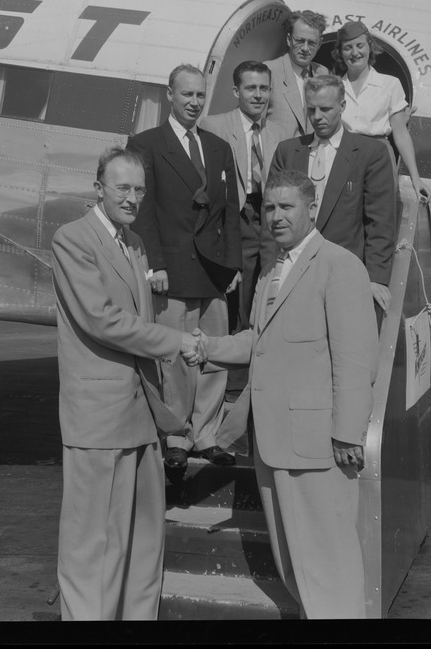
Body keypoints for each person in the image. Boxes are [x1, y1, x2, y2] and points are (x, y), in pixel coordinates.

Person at [189, 168, 378, 619]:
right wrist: (207, 347)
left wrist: (348, 434)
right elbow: (258, 339)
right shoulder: (272, 271)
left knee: (329, 567)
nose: (276, 217)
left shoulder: (340, 265)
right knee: (296, 569)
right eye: (269, 208)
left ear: (311, 210)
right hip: (274, 443)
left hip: (319, 446)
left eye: (287, 207)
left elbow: (356, 360)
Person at [51, 146, 202, 620]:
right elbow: (103, 320)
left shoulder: (134, 243)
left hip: (140, 412)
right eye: (122, 188)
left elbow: (137, 315)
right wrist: (175, 340)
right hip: (98, 417)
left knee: (142, 542)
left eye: (139, 189)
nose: (132, 197)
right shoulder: (73, 239)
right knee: (92, 544)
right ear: (99, 187)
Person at [126, 64, 242, 472]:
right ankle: (176, 435)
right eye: (187, 94)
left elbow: (229, 211)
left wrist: (233, 265)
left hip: (212, 271)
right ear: (170, 95)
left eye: (200, 95)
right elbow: (143, 213)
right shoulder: (146, 144)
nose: (194, 102)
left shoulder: (218, 147)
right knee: (174, 358)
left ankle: (207, 433)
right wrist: (154, 265)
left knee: (213, 355)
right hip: (171, 270)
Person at [265, 75, 396, 314]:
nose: (317, 117)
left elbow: (380, 221)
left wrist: (376, 278)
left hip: (343, 275)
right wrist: (268, 272)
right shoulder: (288, 151)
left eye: (325, 109)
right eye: (311, 109)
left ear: (342, 106)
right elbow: (271, 217)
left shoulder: (370, 154)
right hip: (289, 274)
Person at [200, 60, 284, 333]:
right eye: (251, 88)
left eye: (264, 88)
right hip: (237, 212)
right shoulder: (213, 126)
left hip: (269, 214)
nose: (258, 95)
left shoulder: (280, 133)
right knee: (239, 284)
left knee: (269, 279)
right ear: (236, 92)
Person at [331, 20, 431, 203]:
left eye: (360, 45)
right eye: (347, 48)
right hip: (342, 157)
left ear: (370, 47)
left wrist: (415, 179)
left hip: (378, 158)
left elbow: (400, 134)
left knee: (379, 216)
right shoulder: (334, 86)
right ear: (340, 52)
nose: (355, 53)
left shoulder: (390, 84)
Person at [264, 10, 330, 139]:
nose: (305, 49)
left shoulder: (322, 73)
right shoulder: (268, 71)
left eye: (311, 43)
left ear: (320, 44)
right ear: (289, 39)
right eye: (300, 41)